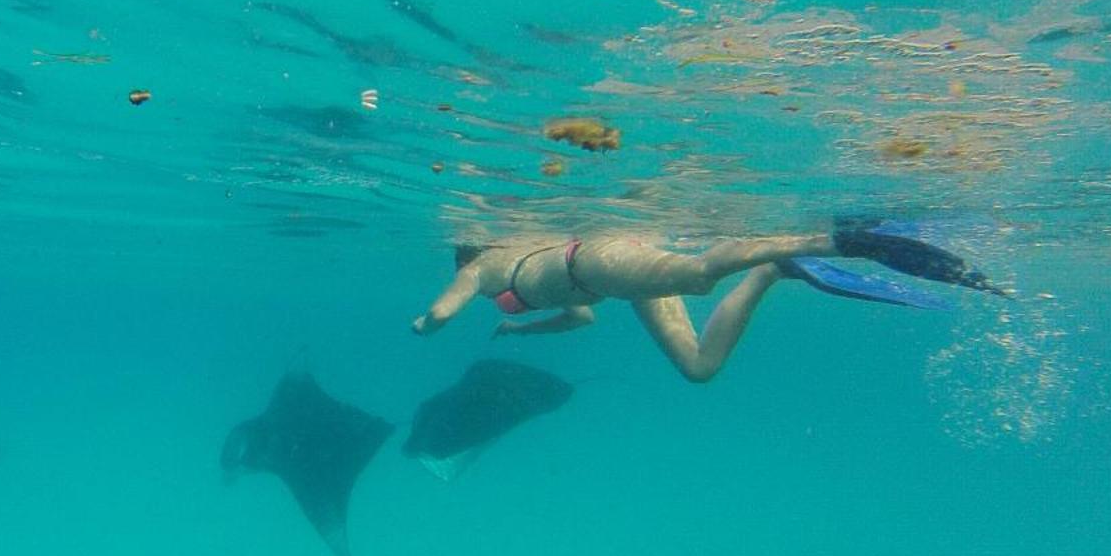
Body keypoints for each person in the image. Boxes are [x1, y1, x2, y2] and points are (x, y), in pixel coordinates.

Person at [411, 219, 1006, 383]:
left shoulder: (483, 268)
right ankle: (772, 270)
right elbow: (581, 316)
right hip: (611, 284)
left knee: (697, 276)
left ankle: (830, 238)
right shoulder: (504, 268)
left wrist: (423, 325)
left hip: (596, 259)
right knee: (699, 368)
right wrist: (518, 333)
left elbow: (442, 311)